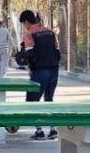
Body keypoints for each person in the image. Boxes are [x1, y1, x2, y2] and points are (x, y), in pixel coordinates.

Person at [18, 10, 61, 140]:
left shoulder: (30, 34)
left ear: (26, 22)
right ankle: (53, 129)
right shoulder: (50, 31)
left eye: (23, 24)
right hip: (54, 69)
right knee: (49, 99)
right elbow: (57, 51)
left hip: (40, 71)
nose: (24, 26)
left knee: (32, 101)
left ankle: (39, 130)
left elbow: (30, 54)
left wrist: (30, 67)